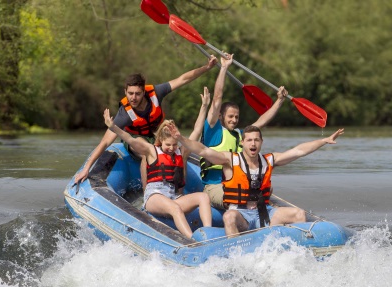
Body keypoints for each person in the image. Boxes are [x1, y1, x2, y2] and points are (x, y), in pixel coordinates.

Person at [167, 123, 344, 236]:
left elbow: (299, 151)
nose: (253, 144)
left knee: (298, 214)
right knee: (229, 216)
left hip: (264, 212)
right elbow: (204, 151)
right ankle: (235, 255)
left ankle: (296, 251)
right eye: (249, 140)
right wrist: (181, 138)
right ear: (242, 143)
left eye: (256, 140)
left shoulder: (268, 160)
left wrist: (324, 141)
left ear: (261, 142)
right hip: (241, 215)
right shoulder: (231, 159)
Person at [74, 55, 218, 189]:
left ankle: (180, 188)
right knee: (146, 151)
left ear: (144, 92)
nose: (134, 98)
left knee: (179, 150)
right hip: (136, 138)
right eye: (130, 93)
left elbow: (182, 79)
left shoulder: (156, 93)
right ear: (125, 92)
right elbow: (105, 142)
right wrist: (87, 169)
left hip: (156, 134)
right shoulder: (125, 114)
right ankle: (146, 192)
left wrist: (207, 67)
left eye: (137, 93)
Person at [102, 109, 213, 239]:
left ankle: (208, 235)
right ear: (160, 140)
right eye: (168, 145)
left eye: (174, 145)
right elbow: (130, 140)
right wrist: (113, 127)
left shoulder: (179, 153)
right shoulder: (152, 151)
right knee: (175, 208)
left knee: (203, 197)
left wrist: (204, 106)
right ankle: (192, 240)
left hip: (173, 196)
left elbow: (196, 131)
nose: (171, 148)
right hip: (154, 196)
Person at [200, 51, 289, 210]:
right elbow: (217, 98)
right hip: (216, 186)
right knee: (242, 197)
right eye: (230, 117)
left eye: (236, 117)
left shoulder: (240, 136)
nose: (234, 120)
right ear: (220, 116)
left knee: (268, 188)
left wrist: (280, 101)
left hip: (238, 184)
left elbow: (261, 121)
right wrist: (224, 68)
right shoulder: (213, 129)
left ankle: (266, 214)